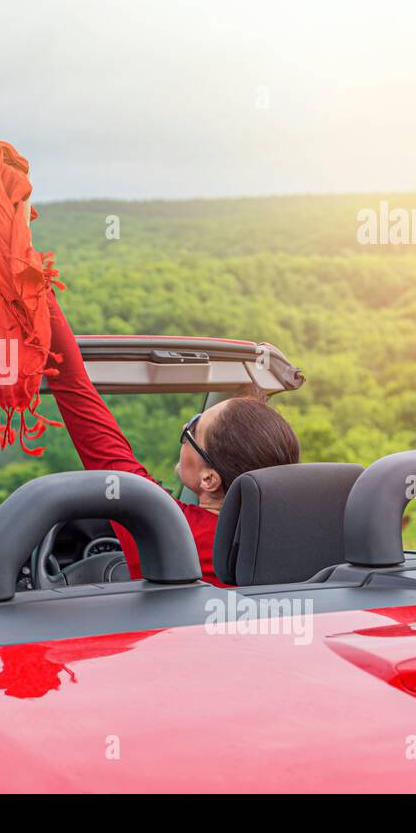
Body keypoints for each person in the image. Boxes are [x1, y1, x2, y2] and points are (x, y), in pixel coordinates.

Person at [30, 206, 300, 585]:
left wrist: (30, 276)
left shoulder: (159, 527)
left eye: (192, 429)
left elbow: (75, 387)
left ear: (209, 479)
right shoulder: (301, 538)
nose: (184, 428)